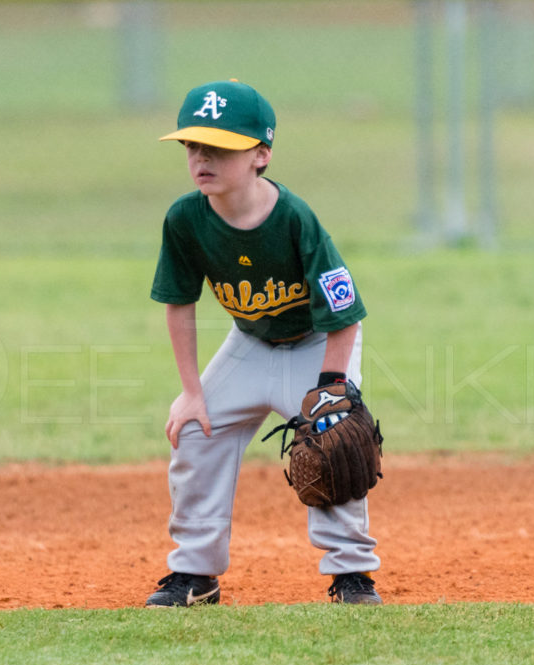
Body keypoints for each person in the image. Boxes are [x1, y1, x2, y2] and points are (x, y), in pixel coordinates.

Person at [146, 80, 381, 608]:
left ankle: (352, 575)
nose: (202, 158)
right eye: (192, 145)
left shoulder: (295, 219)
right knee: (195, 432)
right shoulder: (185, 219)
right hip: (248, 344)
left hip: (318, 345)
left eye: (220, 147)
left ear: (261, 154)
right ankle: (195, 575)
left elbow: (345, 317)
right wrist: (190, 392)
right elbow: (179, 303)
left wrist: (330, 391)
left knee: (334, 438)